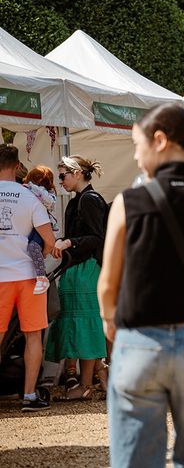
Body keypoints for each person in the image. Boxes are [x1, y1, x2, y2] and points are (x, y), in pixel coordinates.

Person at [96, 104, 184, 466]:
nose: (137, 156)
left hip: (141, 340)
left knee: (136, 459)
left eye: (137, 145)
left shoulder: (130, 201)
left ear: (159, 140)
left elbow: (108, 281)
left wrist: (110, 321)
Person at [46, 154, 109, 400]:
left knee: (85, 326)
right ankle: (100, 376)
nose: (60, 180)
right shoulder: (77, 201)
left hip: (87, 269)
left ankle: (84, 385)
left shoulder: (90, 200)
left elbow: (98, 238)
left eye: (63, 175)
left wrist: (69, 241)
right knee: (78, 325)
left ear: (78, 173)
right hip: (77, 270)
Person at [0, 145, 56, 412]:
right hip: (27, 277)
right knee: (33, 336)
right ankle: (30, 395)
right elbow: (49, 240)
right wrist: (37, 257)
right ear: (17, 165)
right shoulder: (29, 197)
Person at [22, 165, 59, 295]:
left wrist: (31, 187)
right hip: (33, 226)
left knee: (33, 246)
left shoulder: (48, 195)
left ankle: (41, 277)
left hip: (43, 227)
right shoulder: (27, 192)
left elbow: (48, 201)